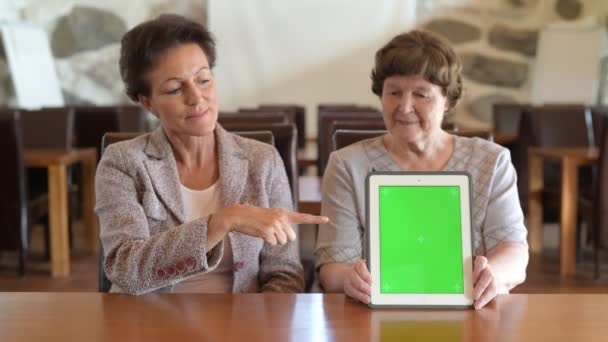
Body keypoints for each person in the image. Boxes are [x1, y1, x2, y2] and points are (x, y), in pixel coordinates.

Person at [96, 14, 328, 295]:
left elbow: (284, 273)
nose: (196, 97)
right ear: (148, 103)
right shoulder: (123, 163)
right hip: (148, 322)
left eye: (203, 79)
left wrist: (264, 327)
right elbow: (126, 270)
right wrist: (221, 221)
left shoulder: (262, 160)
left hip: (243, 324)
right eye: (175, 88)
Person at [314, 29, 528, 309]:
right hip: (371, 314)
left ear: (448, 100)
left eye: (421, 94)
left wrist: (492, 276)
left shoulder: (492, 161)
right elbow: (333, 267)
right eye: (394, 92)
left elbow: (513, 251)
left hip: (474, 313)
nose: (404, 107)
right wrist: (349, 280)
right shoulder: (346, 165)